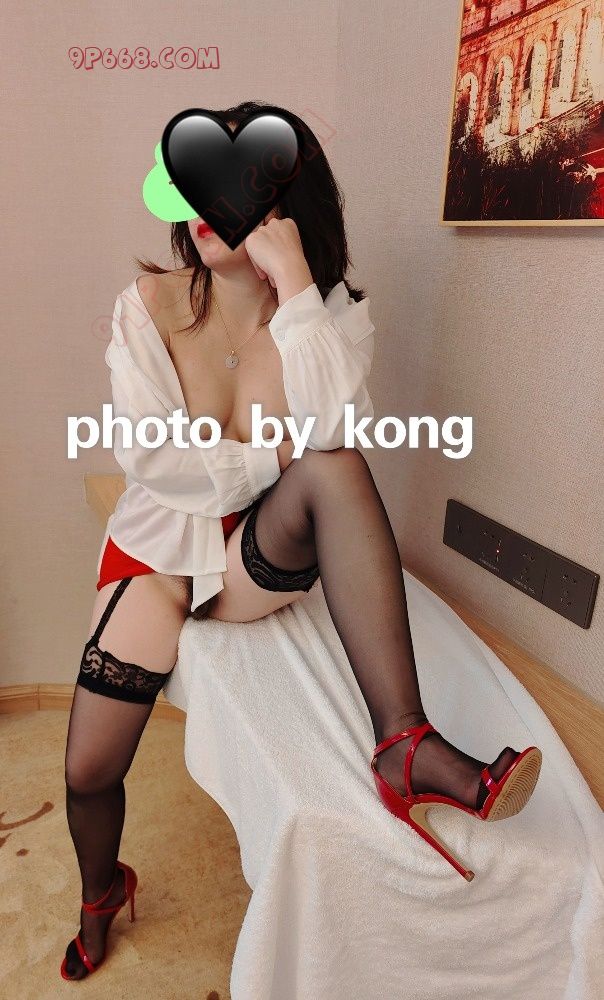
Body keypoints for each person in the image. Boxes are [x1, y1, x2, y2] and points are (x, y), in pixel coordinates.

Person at [61, 100, 542, 980]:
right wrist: (273, 455)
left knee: (336, 467)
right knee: (89, 769)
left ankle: (406, 743)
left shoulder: (331, 316)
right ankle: (101, 892)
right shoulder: (147, 307)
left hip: (256, 555)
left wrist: (296, 294)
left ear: (286, 212)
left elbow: (335, 438)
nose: (207, 209)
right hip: (159, 553)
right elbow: (157, 463)